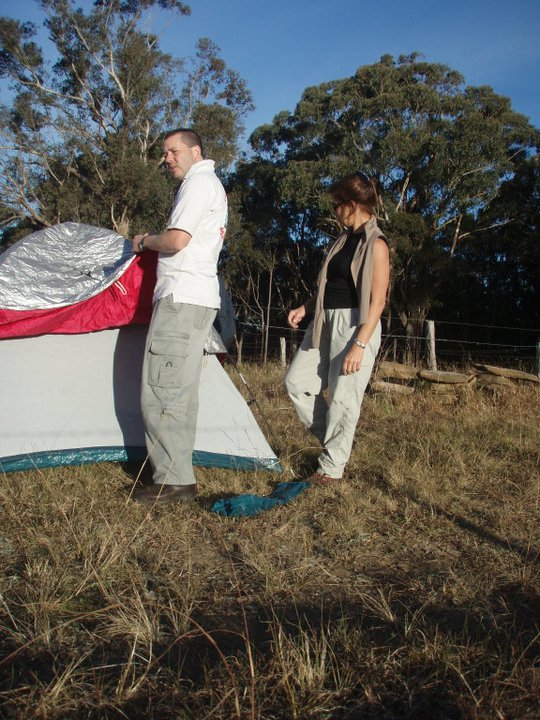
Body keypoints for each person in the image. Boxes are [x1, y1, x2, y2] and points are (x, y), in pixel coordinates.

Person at [131, 128, 227, 505]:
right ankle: (178, 477)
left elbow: (176, 240)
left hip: (181, 298)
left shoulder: (197, 183)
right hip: (198, 299)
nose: (167, 158)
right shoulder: (211, 185)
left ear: (195, 151)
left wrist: (145, 241)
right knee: (181, 392)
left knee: (162, 390)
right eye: (165, 153)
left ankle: (172, 482)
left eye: (173, 151)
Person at [284, 172, 390, 484]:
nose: (334, 211)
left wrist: (359, 344)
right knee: (296, 383)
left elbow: (378, 301)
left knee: (343, 397)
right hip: (324, 320)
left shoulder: (376, 244)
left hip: (355, 325)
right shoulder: (342, 240)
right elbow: (329, 287)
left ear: (352, 204)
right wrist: (306, 308)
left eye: (336, 205)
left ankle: (331, 468)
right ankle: (337, 443)